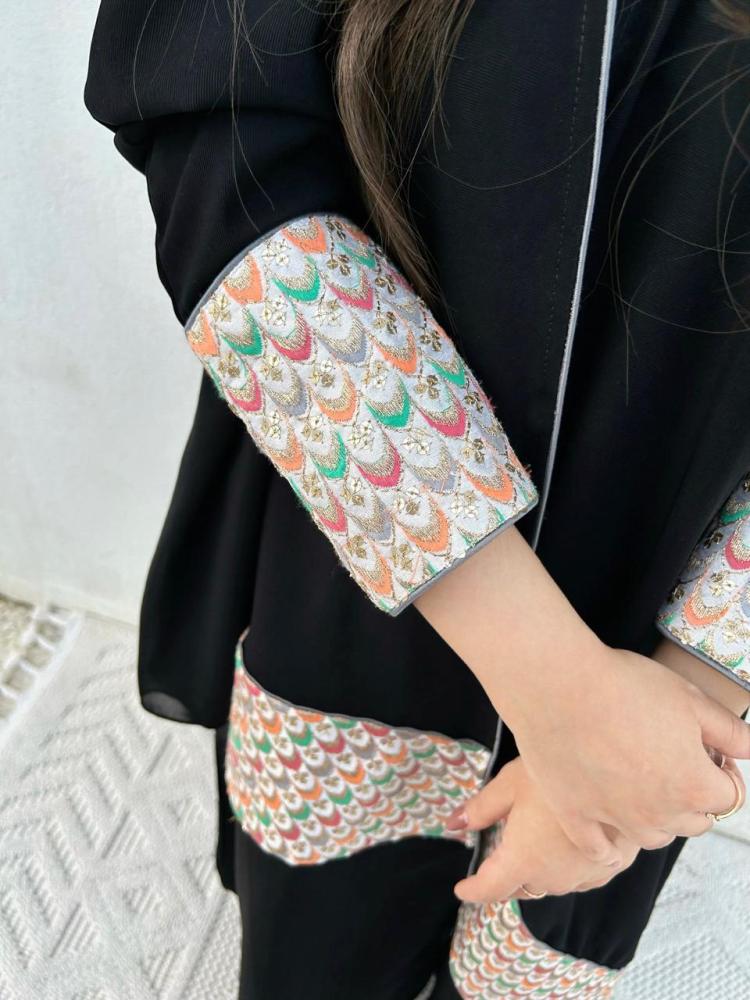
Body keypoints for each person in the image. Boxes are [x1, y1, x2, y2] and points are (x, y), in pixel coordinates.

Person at [84, 2, 750, 997]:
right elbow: (227, 154)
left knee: (531, 943)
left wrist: (677, 703)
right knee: (326, 941)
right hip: (354, 578)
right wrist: (562, 688)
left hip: (664, 643)